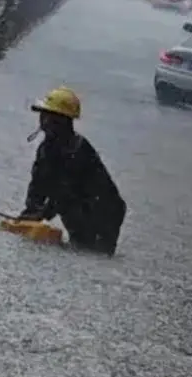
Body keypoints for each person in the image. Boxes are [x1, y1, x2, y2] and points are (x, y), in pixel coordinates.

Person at [20, 86, 126, 254]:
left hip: (104, 212)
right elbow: (38, 184)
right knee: (78, 243)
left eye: (46, 116)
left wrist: (40, 214)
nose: (42, 121)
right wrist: (28, 213)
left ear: (60, 121)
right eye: (42, 116)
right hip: (76, 205)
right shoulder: (46, 149)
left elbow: (62, 192)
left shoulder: (77, 150)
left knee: (90, 251)